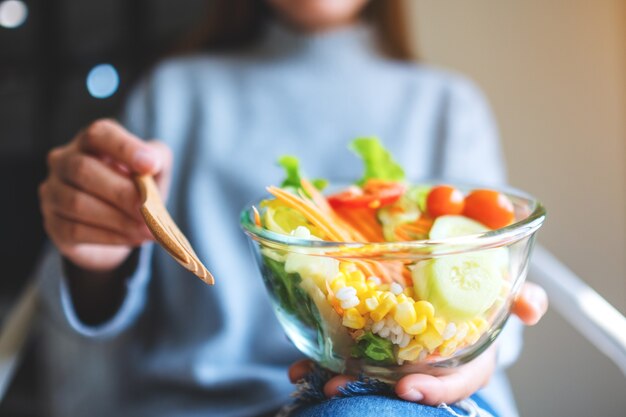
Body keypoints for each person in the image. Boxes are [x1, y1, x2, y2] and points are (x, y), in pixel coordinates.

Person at [36, 0, 548, 416]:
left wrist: (479, 349)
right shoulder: (173, 93)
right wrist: (94, 250)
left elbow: (494, 298)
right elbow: (96, 319)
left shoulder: (447, 105)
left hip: (415, 396)